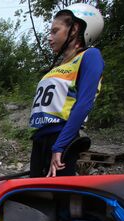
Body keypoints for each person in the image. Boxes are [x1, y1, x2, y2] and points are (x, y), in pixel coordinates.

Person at [29, 3, 104, 178]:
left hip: (61, 137)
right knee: (34, 197)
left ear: (75, 29)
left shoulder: (90, 56)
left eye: (55, 31)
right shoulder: (57, 67)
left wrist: (60, 146)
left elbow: (84, 103)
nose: (49, 37)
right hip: (40, 139)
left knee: (58, 198)